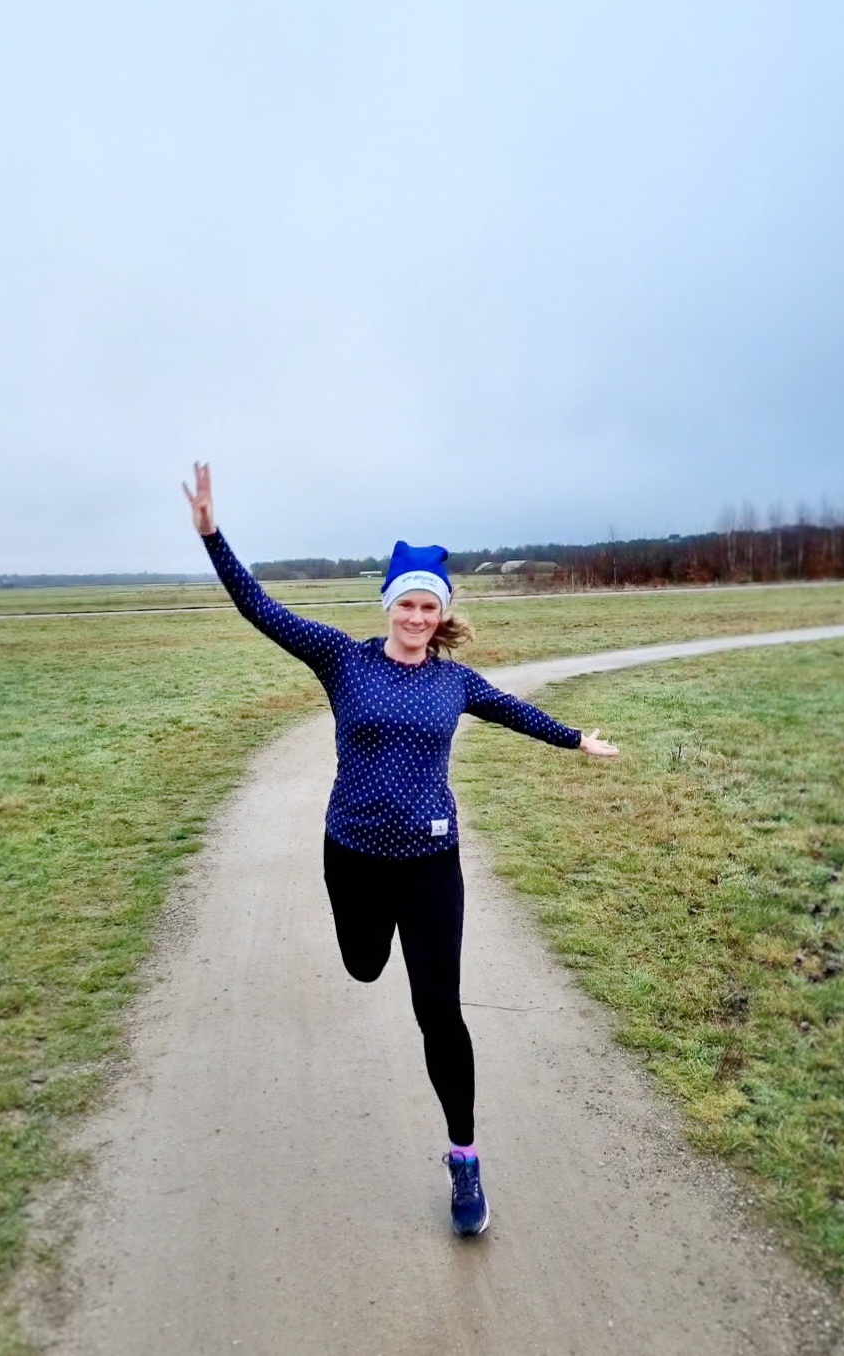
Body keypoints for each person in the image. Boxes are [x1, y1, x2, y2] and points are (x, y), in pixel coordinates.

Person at [183, 462, 619, 1237]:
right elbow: (260, 608)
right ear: (387, 605)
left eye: (428, 606)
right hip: (352, 853)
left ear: (440, 613)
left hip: (429, 866)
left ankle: (464, 1159)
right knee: (362, 965)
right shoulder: (340, 659)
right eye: (406, 603)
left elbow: (512, 709)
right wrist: (214, 536)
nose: (416, 617)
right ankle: (368, 943)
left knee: (438, 1010)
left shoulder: (455, 683)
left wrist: (572, 738)